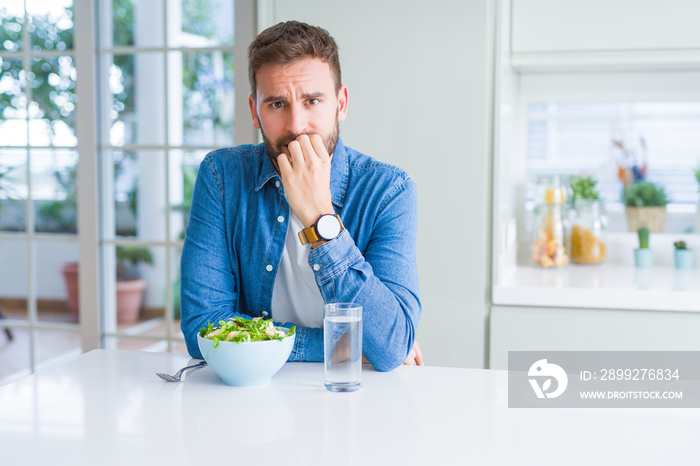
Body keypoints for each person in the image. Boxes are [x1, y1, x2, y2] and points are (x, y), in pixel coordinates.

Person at [180, 21, 422, 371]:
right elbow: (202, 329)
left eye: (312, 100)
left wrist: (320, 218)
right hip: (249, 396)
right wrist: (343, 346)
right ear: (254, 111)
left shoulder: (389, 191)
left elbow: (391, 343)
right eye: (277, 104)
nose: (296, 125)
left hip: (355, 401)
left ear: (341, 104)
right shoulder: (221, 177)